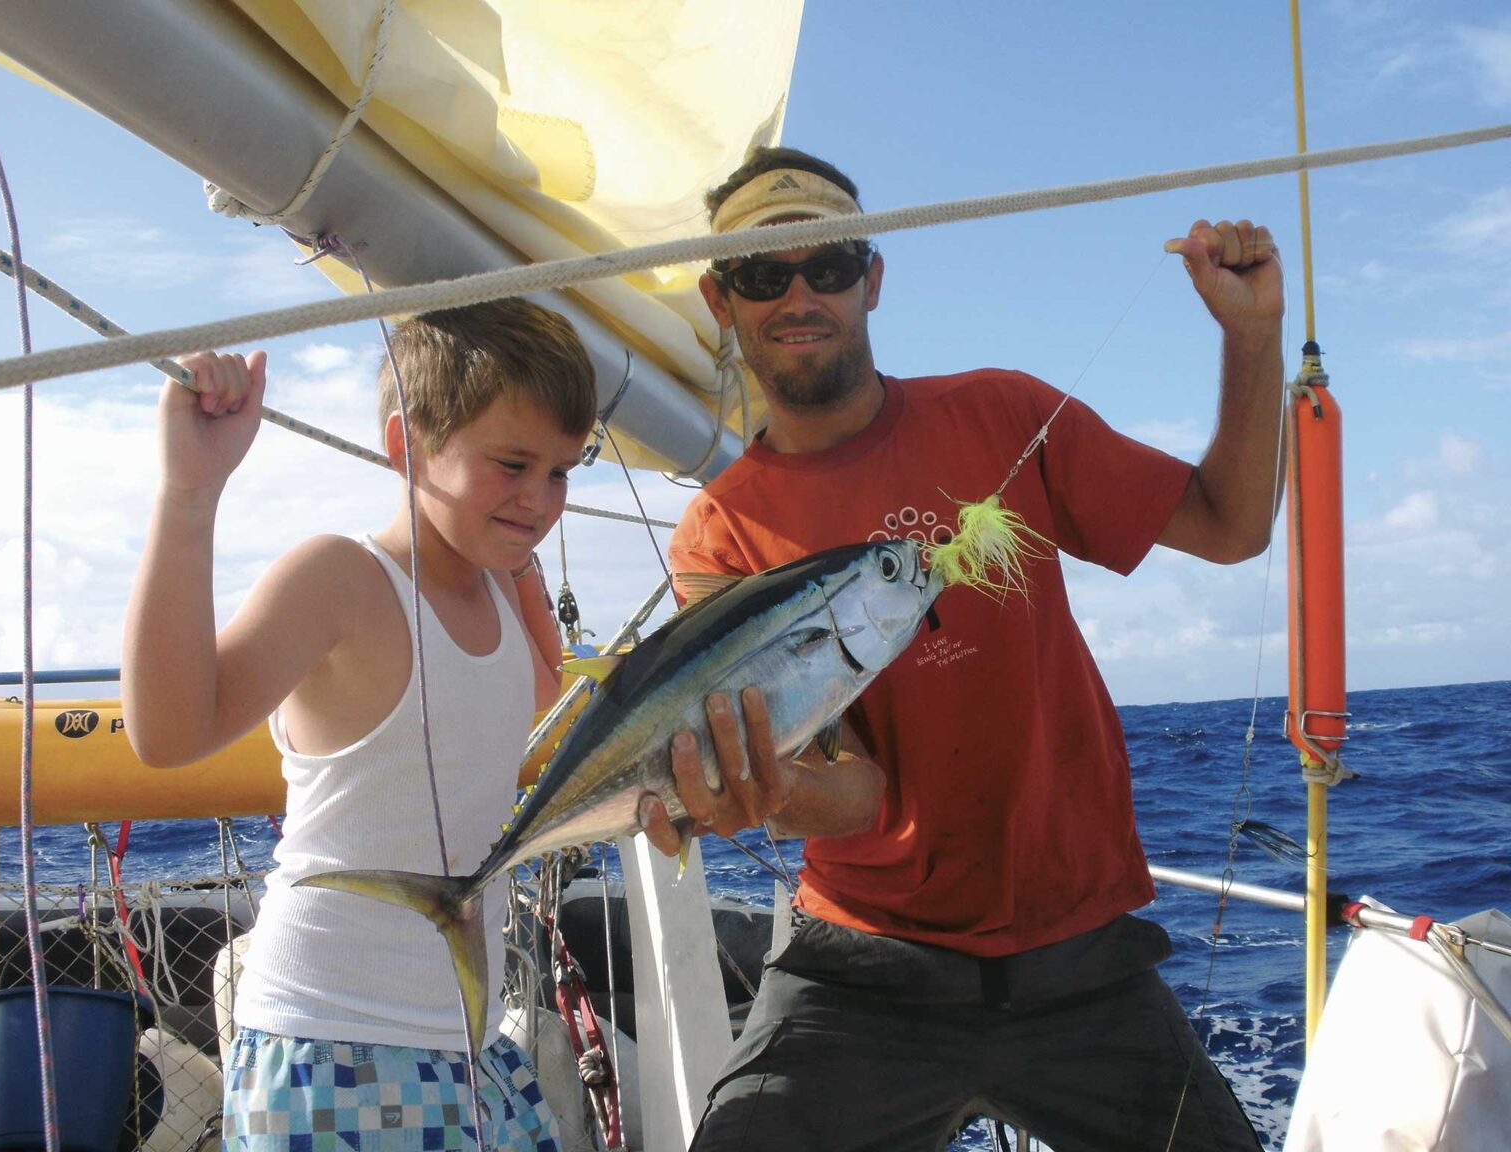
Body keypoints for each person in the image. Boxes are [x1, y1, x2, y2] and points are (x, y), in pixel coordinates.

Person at [640, 147, 1281, 1151]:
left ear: (874, 279)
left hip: (1085, 959)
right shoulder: (720, 534)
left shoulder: (1002, 411)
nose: (800, 294)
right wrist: (750, 787)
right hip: (862, 970)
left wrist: (1252, 336)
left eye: (830, 265)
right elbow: (856, 794)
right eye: (765, 275)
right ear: (724, 302)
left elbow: (1233, 525)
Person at [122, 300, 598, 1152]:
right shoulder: (341, 579)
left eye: (562, 472)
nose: (539, 499)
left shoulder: (495, 588)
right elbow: (167, 732)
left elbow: (534, 689)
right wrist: (191, 490)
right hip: (332, 1050)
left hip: (473, 1052)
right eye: (514, 464)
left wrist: (516, 549)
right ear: (405, 447)